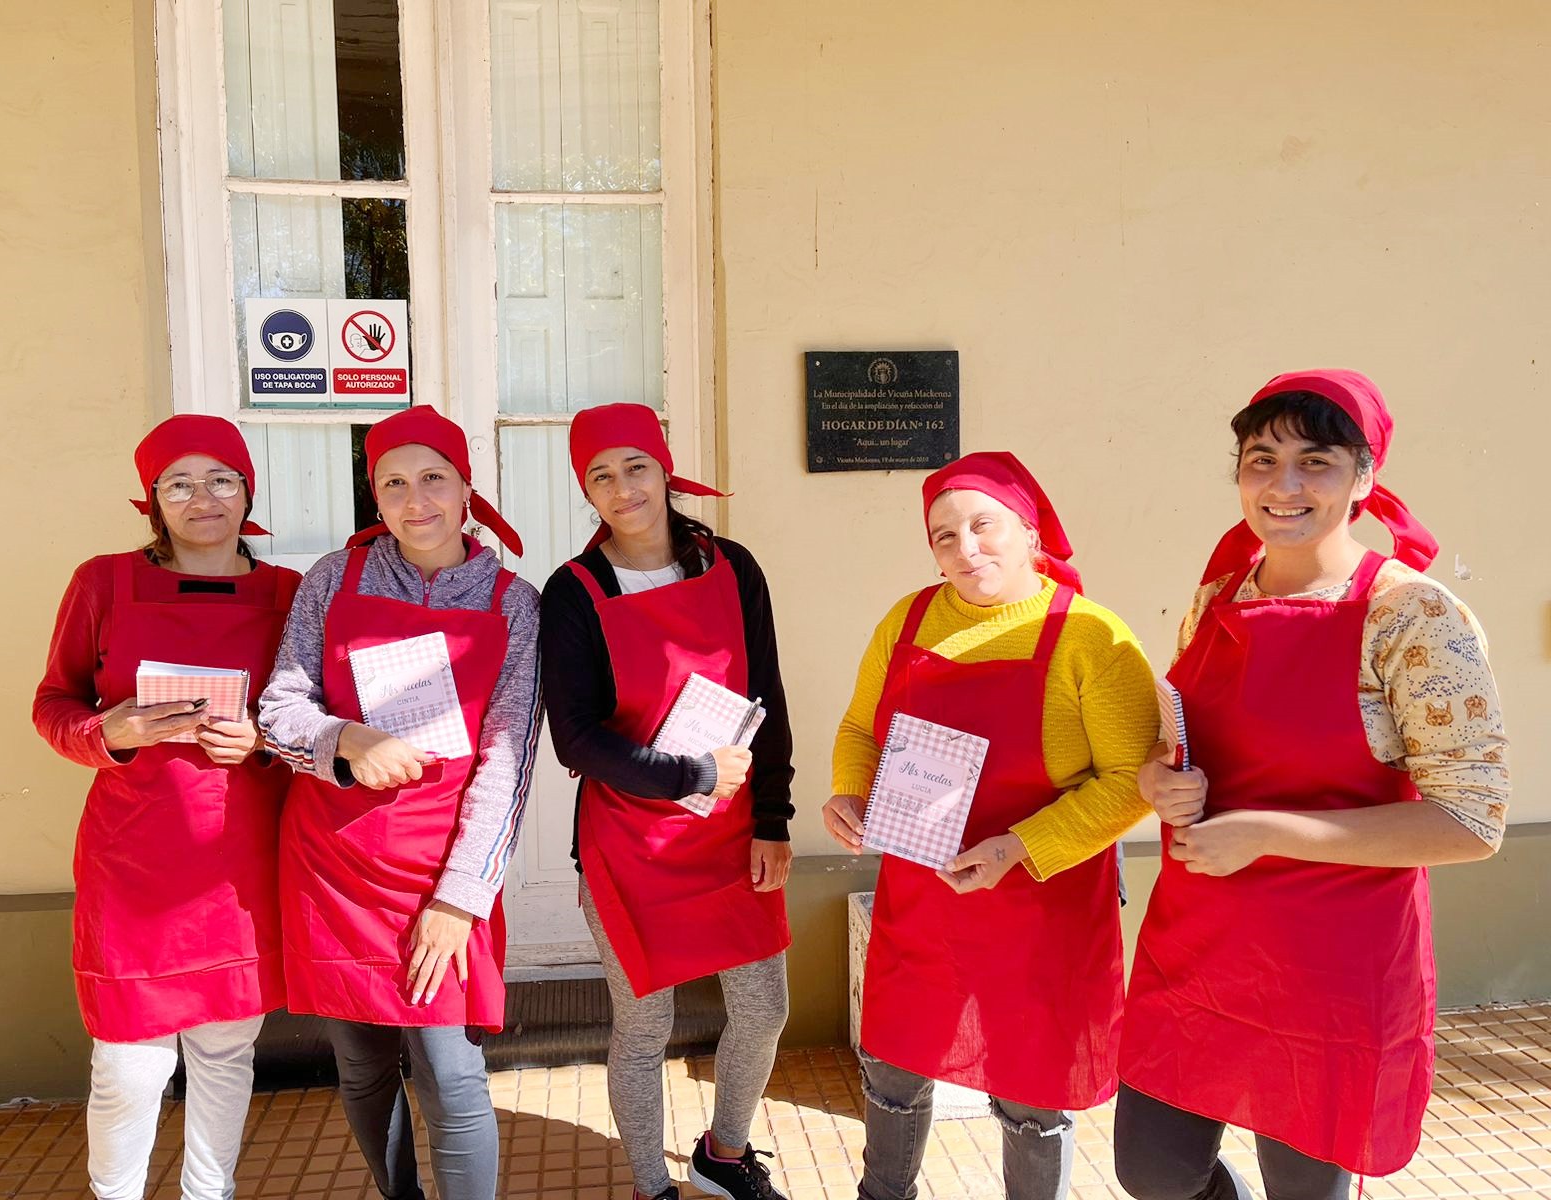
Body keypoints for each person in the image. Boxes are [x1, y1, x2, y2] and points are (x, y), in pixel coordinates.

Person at [1114, 370, 1510, 1200]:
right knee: (1152, 1171)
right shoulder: (1218, 597)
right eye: (1262, 459)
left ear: (1364, 477)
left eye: (1316, 461)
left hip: (1332, 967)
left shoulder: (1412, 616)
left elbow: (1471, 821)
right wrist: (1159, 778)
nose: (1283, 484)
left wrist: (1268, 833)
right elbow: (1176, 738)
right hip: (1201, 945)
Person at [824, 450, 1159, 1200]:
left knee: (1031, 1093)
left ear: (1031, 533)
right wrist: (849, 790)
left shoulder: (1090, 637)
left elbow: (1131, 783)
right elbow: (860, 730)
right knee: (894, 1068)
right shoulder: (908, 620)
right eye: (944, 536)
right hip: (924, 898)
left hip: (1042, 906)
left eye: (984, 526)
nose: (965, 548)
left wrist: (1019, 846)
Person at [258, 405, 541, 1200]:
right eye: (394, 484)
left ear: (466, 488)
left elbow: (508, 760)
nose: (417, 501)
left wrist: (461, 898)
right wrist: (348, 740)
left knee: (451, 1072)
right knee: (361, 1062)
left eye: (434, 479)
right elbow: (278, 713)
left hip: (439, 868)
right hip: (332, 859)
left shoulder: (512, 603)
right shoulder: (333, 579)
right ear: (374, 496)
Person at [33, 415, 300, 1200]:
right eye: (177, 483)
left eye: (220, 479)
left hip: (239, 864)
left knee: (225, 1053)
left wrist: (261, 742)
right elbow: (54, 702)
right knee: (128, 1065)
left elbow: (311, 722)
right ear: (151, 499)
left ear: (247, 490)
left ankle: (209, 1193)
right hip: (133, 864)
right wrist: (108, 732)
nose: (201, 498)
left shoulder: (287, 594)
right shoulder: (104, 583)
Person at [539, 403, 795, 1200]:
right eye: (601, 477)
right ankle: (653, 1186)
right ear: (586, 490)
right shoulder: (574, 590)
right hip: (630, 845)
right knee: (645, 1026)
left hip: (732, 834)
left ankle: (724, 1153)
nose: (623, 489)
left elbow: (767, 695)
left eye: (636, 468)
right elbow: (576, 740)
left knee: (765, 1009)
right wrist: (688, 775)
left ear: (664, 469)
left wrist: (773, 817)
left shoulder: (732, 566)